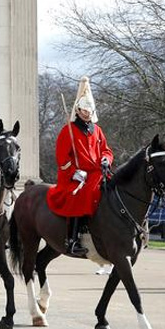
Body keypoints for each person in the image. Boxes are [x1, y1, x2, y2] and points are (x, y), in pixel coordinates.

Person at [47, 76, 113, 257]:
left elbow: (106, 150)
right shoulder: (68, 130)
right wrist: (74, 172)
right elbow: (62, 157)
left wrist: (106, 160)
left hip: (98, 171)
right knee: (81, 195)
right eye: (84, 110)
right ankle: (73, 239)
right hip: (77, 175)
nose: (87, 113)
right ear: (78, 109)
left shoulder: (97, 130)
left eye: (90, 110)